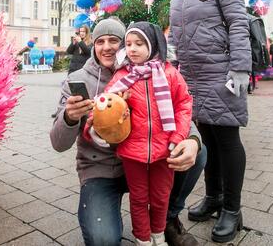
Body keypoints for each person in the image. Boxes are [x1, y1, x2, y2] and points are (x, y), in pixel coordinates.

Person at [50, 17, 205, 246]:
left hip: (152, 157)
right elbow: (58, 143)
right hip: (102, 168)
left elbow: (176, 109)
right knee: (103, 240)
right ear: (93, 45)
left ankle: (167, 220)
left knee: (199, 152)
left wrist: (192, 139)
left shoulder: (156, 73)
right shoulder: (77, 80)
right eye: (100, 41)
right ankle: (137, 229)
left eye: (114, 40)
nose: (107, 47)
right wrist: (69, 117)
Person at [169, 0, 251, 243]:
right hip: (191, 76)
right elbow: (176, 35)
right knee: (206, 140)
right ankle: (214, 196)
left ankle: (232, 209)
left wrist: (240, 67)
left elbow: (238, 24)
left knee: (227, 138)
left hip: (222, 72)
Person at [92, 22, 192, 246]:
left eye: (139, 44)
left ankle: (158, 233)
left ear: (154, 44)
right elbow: (103, 104)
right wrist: (96, 125)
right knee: (138, 199)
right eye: (128, 44)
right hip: (132, 151)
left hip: (165, 149)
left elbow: (184, 105)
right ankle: (143, 238)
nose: (132, 49)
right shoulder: (122, 77)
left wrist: (178, 137)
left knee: (160, 197)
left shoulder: (169, 74)